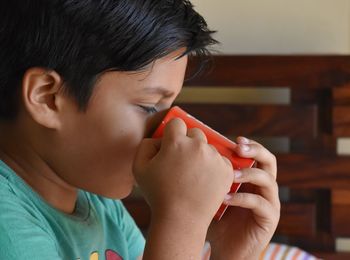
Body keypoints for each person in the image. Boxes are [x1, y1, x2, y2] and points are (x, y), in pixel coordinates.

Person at [0, 0, 280, 259]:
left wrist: (229, 254)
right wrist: (182, 219)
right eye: (148, 106)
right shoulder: (7, 230)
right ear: (47, 98)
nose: (171, 129)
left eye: (170, 108)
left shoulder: (98, 204)